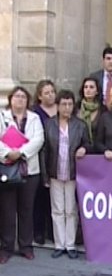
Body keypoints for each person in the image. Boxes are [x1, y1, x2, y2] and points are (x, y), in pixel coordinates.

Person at [44, 90, 91, 259]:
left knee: (71, 209)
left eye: (70, 104)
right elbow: (44, 150)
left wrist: (83, 148)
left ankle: (70, 245)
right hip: (54, 171)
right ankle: (59, 244)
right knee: (57, 209)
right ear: (57, 106)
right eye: (64, 104)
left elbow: (88, 144)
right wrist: (45, 175)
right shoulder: (49, 124)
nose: (67, 108)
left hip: (72, 172)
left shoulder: (80, 125)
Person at [0, 86, 44, 263]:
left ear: (28, 100)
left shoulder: (34, 118)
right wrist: (8, 153)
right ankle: (6, 247)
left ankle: (26, 246)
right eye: (17, 96)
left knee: (27, 209)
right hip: (7, 170)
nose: (20, 99)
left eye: (23, 97)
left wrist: (21, 152)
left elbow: (38, 139)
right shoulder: (2, 116)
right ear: (11, 99)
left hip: (29, 170)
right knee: (7, 211)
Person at [32, 79, 57, 245]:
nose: (50, 95)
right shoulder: (35, 112)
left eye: (52, 92)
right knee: (40, 196)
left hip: (57, 157)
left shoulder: (61, 108)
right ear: (40, 96)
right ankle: (39, 231)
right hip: (41, 156)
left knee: (55, 198)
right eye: (46, 93)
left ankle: (53, 231)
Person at [76, 76, 105, 150]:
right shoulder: (76, 108)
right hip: (78, 150)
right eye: (85, 87)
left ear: (97, 91)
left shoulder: (103, 110)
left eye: (91, 87)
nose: (88, 90)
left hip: (97, 150)